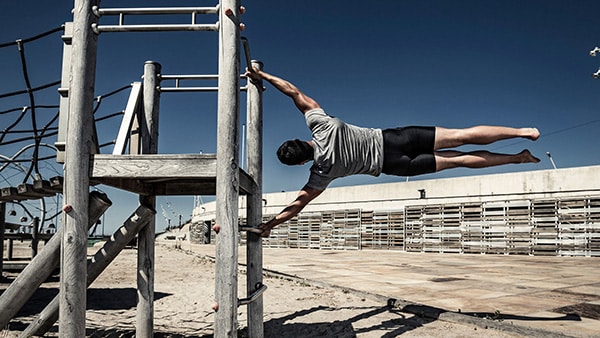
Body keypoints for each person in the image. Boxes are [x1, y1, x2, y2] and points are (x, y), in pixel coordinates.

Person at [245, 68, 541, 238]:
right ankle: (522, 131)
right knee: (461, 136)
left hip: (395, 164)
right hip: (397, 138)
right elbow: (295, 92)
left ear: (300, 162)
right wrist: (262, 75)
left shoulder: (320, 172)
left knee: (460, 161)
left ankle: (518, 157)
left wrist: (270, 225)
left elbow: (297, 205)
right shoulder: (321, 125)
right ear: (301, 139)